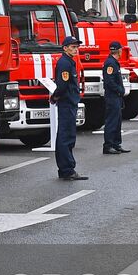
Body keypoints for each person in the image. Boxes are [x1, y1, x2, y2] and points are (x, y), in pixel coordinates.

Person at [51, 36, 87, 181]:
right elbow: (63, 85)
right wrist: (55, 96)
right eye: (72, 47)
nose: (76, 49)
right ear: (65, 48)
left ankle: (66, 168)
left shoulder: (69, 62)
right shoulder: (65, 63)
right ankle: (67, 169)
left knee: (67, 135)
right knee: (66, 136)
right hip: (66, 103)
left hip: (69, 102)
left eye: (77, 47)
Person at [102, 40, 130, 155]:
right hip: (112, 96)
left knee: (117, 121)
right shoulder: (110, 63)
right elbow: (109, 81)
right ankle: (108, 146)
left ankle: (116, 144)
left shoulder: (113, 62)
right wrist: (120, 90)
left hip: (116, 96)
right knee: (112, 121)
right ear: (119, 50)